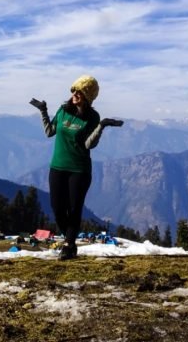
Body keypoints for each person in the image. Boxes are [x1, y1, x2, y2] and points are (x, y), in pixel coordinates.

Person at [30, 75, 123, 260]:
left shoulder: (92, 117)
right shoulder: (63, 110)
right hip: (57, 167)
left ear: (87, 96)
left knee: (74, 209)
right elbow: (50, 131)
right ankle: (69, 240)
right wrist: (43, 110)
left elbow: (89, 144)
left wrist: (101, 126)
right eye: (73, 90)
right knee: (57, 208)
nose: (74, 94)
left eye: (79, 92)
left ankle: (69, 246)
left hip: (79, 170)